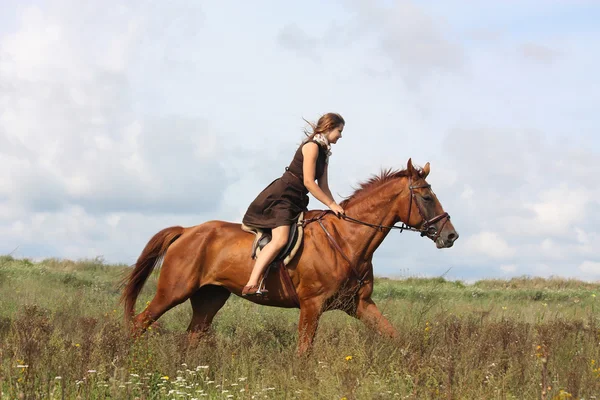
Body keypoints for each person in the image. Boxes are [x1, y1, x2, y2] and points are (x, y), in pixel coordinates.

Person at [241, 112, 346, 296]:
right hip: (282, 196)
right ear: (329, 128)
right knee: (280, 239)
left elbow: (323, 186)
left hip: (297, 199)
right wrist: (330, 203)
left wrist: (335, 206)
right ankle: (252, 282)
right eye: (339, 131)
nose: (340, 136)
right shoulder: (312, 147)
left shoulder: (325, 153)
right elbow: (308, 182)